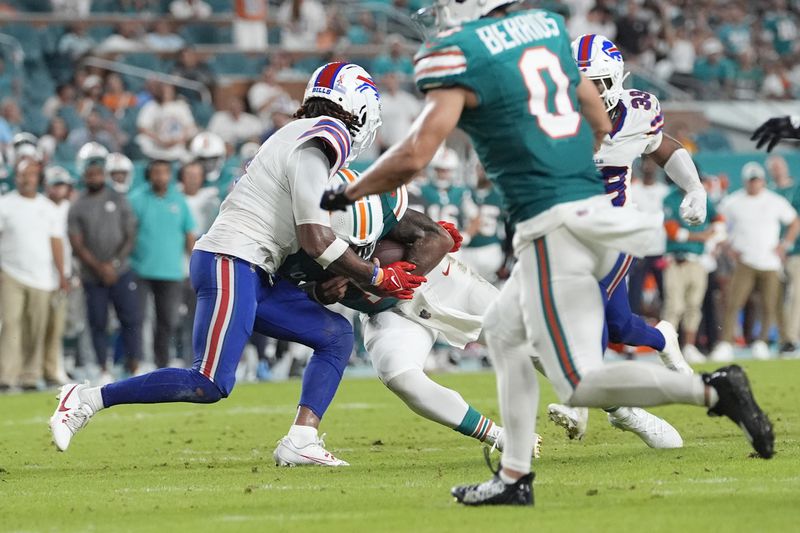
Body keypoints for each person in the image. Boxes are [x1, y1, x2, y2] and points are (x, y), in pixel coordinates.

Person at [320, 2, 775, 505]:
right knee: (505, 336)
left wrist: (347, 194)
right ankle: (515, 477)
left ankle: (711, 392)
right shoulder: (549, 31)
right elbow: (599, 119)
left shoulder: (462, 55)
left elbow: (414, 154)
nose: (440, 19)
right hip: (576, 212)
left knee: (577, 379)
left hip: (552, 221)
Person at [50, 63, 425, 468]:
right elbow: (315, 239)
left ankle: (301, 438)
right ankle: (86, 399)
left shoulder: (297, 134)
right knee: (209, 381)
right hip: (233, 259)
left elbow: (296, 236)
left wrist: (321, 287)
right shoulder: (324, 135)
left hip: (253, 265)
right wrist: (376, 275)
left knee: (335, 334)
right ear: (359, 105)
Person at [281, 168, 542, 457]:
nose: (361, 249)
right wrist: (318, 293)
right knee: (400, 375)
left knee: (530, 341)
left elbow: (438, 238)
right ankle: (499, 437)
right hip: (388, 315)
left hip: (443, 283)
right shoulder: (294, 241)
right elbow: (286, 296)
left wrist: (394, 279)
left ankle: (597, 397)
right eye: (352, 245)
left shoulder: (378, 204)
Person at [710, 162, 800, 362]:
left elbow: (794, 221)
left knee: (770, 305)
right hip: (745, 261)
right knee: (734, 303)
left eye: (757, 180)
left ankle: (763, 341)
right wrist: (728, 247)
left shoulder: (774, 201)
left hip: (769, 261)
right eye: (751, 181)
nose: (754, 184)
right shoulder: (734, 202)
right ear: (745, 182)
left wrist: (784, 245)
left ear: (762, 181)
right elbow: (719, 224)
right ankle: (726, 343)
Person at [68, 143, 142, 383]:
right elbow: (77, 243)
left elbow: (130, 234)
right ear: (84, 177)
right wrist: (100, 267)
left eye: (98, 173)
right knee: (98, 322)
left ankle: (133, 365)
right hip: (93, 275)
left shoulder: (118, 198)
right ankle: (103, 368)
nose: (95, 177)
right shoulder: (78, 205)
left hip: (121, 271)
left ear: (104, 175)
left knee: (130, 318)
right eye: (90, 174)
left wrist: (115, 262)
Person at [0, 159, 67, 391]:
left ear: (38, 179)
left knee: (36, 328)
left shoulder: (47, 207)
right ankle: (7, 376)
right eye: (22, 175)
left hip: (43, 277)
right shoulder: (5, 204)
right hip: (10, 273)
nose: (26, 179)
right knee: (10, 323)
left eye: (30, 175)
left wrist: (61, 274)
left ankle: (30, 376)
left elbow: (56, 242)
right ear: (15, 177)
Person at [129, 160, 197, 369]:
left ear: (170, 176)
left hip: (171, 271)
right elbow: (128, 232)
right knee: (136, 318)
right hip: (139, 269)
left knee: (167, 321)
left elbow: (189, 235)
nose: (160, 177)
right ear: (149, 174)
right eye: (156, 172)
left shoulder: (179, 201)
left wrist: (195, 266)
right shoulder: (136, 199)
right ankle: (136, 362)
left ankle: (162, 363)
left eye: (164, 173)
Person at [43, 165, 76, 387]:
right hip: (44, 273)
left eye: (62, 184)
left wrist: (71, 272)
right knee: (43, 325)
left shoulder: (70, 208)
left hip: (67, 272)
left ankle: (62, 366)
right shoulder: (41, 207)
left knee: (66, 324)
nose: (59, 189)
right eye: (55, 185)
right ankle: (45, 369)